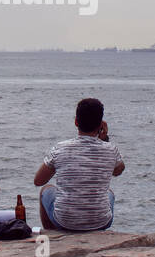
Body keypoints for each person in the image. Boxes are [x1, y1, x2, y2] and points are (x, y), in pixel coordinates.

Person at [34, 98, 125, 231]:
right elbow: (118, 171)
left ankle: (53, 234)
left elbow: (38, 181)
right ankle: (95, 230)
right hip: (102, 222)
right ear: (101, 125)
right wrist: (104, 140)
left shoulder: (60, 148)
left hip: (64, 221)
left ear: (76, 122)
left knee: (45, 190)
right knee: (109, 193)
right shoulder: (111, 149)